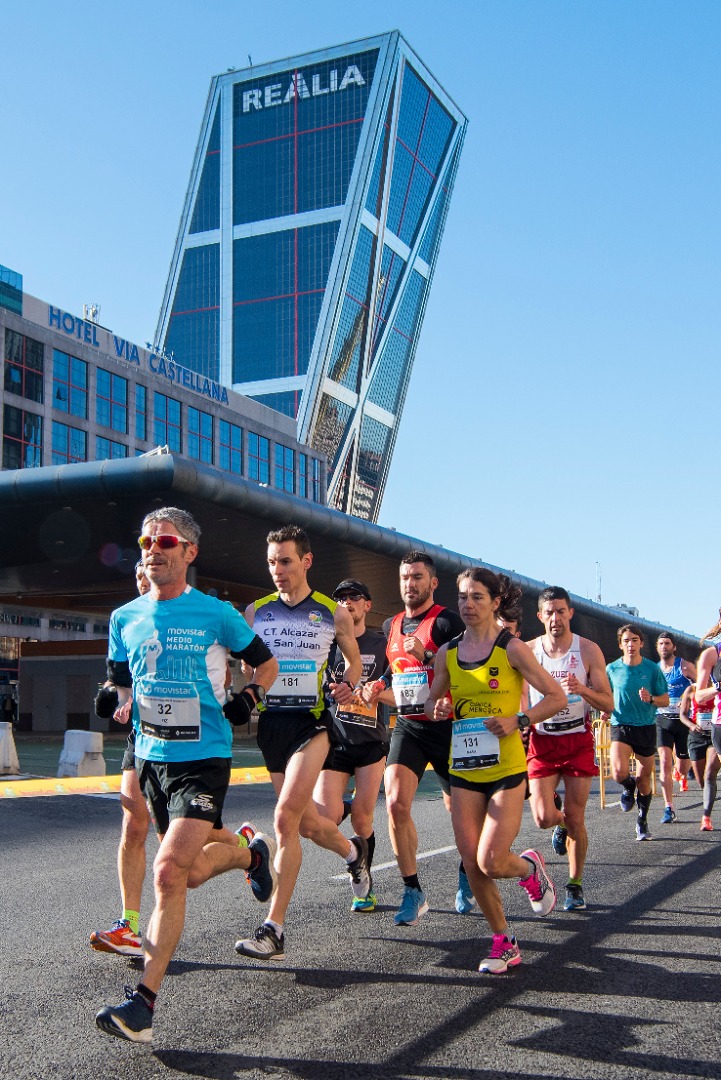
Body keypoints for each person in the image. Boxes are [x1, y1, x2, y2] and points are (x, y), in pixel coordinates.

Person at [96, 508, 279, 1042]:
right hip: (151, 759)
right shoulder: (124, 617)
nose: (154, 548)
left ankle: (143, 1007)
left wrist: (250, 695)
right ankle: (250, 854)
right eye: (146, 540)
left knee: (168, 872)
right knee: (190, 873)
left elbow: (264, 665)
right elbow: (120, 682)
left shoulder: (217, 614)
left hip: (203, 760)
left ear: (189, 552)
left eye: (166, 541)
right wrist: (114, 697)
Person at [234, 524, 369, 962]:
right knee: (308, 825)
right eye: (272, 562)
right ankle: (353, 852)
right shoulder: (255, 612)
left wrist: (348, 686)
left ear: (306, 561)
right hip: (271, 726)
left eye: (286, 561)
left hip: (313, 725)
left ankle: (273, 929)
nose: (278, 570)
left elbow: (353, 665)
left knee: (284, 818)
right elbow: (246, 665)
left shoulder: (333, 613)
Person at [425, 568, 567, 974]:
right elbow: (436, 701)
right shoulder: (447, 652)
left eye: (478, 598)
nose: (468, 605)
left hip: (506, 767)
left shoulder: (512, 649)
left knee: (490, 859)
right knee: (472, 862)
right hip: (465, 767)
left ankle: (529, 869)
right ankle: (504, 941)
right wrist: (439, 707)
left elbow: (556, 697)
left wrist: (519, 720)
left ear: (495, 602)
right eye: (463, 597)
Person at [363, 551, 465, 926]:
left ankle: (468, 873)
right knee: (395, 805)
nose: (411, 584)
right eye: (405, 577)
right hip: (409, 725)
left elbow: (468, 668)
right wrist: (378, 686)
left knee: (460, 816)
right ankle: (413, 890)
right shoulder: (391, 624)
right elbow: (397, 677)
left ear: (433, 582)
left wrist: (431, 654)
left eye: (418, 577)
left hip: (448, 727)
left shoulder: (447, 623)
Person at [525, 587, 614, 911]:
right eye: (549, 612)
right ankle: (558, 824)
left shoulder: (588, 651)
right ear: (540, 616)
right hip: (542, 740)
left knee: (577, 818)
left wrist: (584, 691)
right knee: (542, 817)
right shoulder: (528, 651)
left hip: (577, 740)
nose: (555, 618)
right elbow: (522, 695)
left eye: (560, 611)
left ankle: (574, 886)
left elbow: (608, 701)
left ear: (570, 613)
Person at [313, 579, 390, 913]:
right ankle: (353, 852)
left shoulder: (382, 643)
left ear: (367, 605)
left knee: (362, 819)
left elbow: (401, 693)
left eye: (353, 597)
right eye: (339, 597)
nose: (346, 602)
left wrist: (373, 692)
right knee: (322, 819)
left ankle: (364, 885)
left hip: (372, 742)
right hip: (336, 740)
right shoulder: (329, 643)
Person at [604, 624, 668, 841]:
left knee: (644, 778)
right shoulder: (612, 669)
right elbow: (605, 695)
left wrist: (650, 698)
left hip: (646, 725)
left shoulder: (652, 669)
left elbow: (665, 699)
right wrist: (604, 710)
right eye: (626, 641)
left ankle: (642, 821)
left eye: (634, 640)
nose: (630, 644)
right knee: (619, 772)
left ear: (641, 643)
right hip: (620, 724)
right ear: (620, 645)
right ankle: (627, 788)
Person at [655, 633, 695, 822]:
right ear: (657, 647)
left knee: (682, 763)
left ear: (674, 647)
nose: (664, 647)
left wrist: (688, 700)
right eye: (661, 644)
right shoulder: (653, 670)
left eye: (667, 643)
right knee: (664, 762)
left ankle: (680, 773)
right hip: (662, 719)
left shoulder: (685, 666)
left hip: (683, 721)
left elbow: (703, 685)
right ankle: (668, 808)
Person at [694, 611, 721, 830]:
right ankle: (706, 816)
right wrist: (717, 688)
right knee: (710, 771)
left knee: (711, 769)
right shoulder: (712, 655)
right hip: (720, 724)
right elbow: (699, 695)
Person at [679, 682, 719, 830]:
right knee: (701, 780)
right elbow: (682, 715)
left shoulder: (718, 687)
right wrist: (691, 725)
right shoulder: (691, 689)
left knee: (710, 774)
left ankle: (706, 817)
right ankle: (708, 796)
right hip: (697, 736)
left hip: (715, 735)